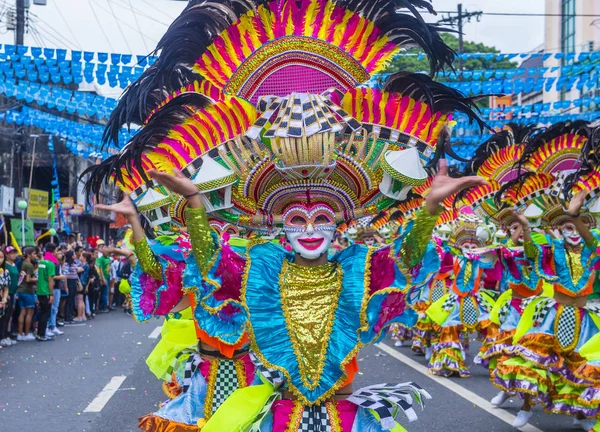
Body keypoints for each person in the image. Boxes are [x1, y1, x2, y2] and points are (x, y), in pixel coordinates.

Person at [16, 247, 37, 341]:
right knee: (30, 312)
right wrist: (38, 279)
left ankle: (20, 333)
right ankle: (27, 333)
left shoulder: (22, 263)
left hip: (20, 290)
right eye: (34, 254)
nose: (35, 256)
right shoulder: (29, 265)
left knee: (22, 312)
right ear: (29, 254)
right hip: (27, 291)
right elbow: (28, 279)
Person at [36, 246, 56, 341]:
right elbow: (50, 280)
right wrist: (51, 294)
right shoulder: (51, 264)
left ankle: (40, 333)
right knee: (46, 313)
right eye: (56, 250)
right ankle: (41, 334)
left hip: (39, 290)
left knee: (42, 313)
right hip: (46, 291)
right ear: (52, 252)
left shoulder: (41, 263)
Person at [47, 244, 65, 336]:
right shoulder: (50, 262)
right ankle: (50, 326)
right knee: (52, 308)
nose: (59, 253)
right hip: (52, 288)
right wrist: (61, 277)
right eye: (57, 251)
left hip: (57, 287)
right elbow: (51, 277)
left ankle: (52, 325)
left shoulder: (56, 262)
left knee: (55, 308)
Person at [5, 246, 19, 341]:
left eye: (14, 252)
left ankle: (8, 335)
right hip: (7, 294)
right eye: (11, 253)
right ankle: (3, 336)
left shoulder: (14, 265)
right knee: (5, 315)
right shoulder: (5, 266)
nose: (13, 255)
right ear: (6, 255)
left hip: (14, 293)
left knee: (10, 315)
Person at [0, 249, 12, 347]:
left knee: (3, 319)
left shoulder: (5, 272)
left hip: (2, 300)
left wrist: (4, 299)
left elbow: (6, 288)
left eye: (1, 257)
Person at [95, 242, 111, 313]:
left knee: (106, 292)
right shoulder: (100, 259)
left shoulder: (108, 258)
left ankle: (104, 306)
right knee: (104, 293)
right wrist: (102, 278)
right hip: (103, 277)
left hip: (108, 276)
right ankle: (102, 307)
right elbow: (100, 269)